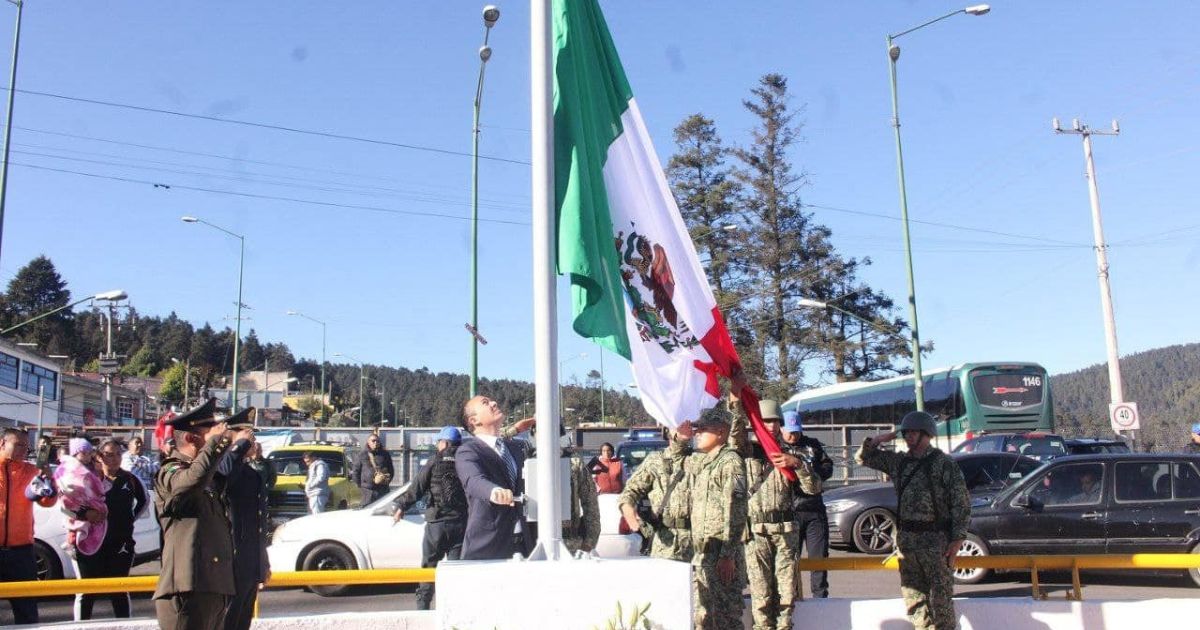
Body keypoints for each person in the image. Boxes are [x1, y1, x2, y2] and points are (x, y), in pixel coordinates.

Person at [858, 411, 970, 630]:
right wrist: (878, 440)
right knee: (914, 599)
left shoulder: (943, 463)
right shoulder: (899, 462)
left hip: (935, 541)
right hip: (907, 540)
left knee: (941, 601)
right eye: (906, 432)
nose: (909, 436)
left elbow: (961, 502)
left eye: (914, 432)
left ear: (926, 434)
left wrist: (957, 539)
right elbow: (863, 458)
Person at [153, 398, 249, 630]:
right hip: (187, 587)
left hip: (213, 586)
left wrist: (237, 445)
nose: (219, 435)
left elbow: (223, 474)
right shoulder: (171, 471)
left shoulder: (207, 478)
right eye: (210, 431)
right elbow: (190, 483)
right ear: (190, 437)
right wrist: (215, 442)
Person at [729, 397, 802, 630]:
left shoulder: (791, 452)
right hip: (757, 532)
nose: (771, 426)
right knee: (761, 594)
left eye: (775, 421)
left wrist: (798, 464)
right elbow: (735, 436)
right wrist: (736, 405)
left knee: (787, 593)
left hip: (785, 531)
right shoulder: (749, 450)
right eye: (765, 421)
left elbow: (814, 487)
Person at [392, 426, 468, 610]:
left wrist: (401, 506)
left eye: (438, 442)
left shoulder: (434, 461)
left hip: (436, 524)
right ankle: (453, 611)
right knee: (456, 572)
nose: (437, 445)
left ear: (445, 443)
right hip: (460, 524)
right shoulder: (465, 461)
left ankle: (423, 608)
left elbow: (417, 488)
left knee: (429, 568)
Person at [685, 414, 748, 630]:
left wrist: (727, 555)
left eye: (703, 429)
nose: (697, 433)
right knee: (705, 620)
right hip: (704, 556)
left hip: (721, 556)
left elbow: (736, 510)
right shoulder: (706, 462)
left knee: (726, 619)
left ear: (721, 432)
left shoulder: (731, 462)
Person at [73, 440, 147, 621]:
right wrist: (85, 515)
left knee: (119, 590)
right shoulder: (88, 478)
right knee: (87, 591)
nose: (115, 459)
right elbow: (69, 505)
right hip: (91, 544)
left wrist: (129, 519)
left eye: (118, 454)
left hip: (121, 544)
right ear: (99, 456)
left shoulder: (130, 479)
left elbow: (144, 501)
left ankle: (124, 624)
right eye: (109, 454)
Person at [455, 394, 529, 560]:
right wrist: (494, 491)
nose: (494, 403)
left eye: (492, 401)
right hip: (487, 547)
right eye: (485, 403)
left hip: (526, 544)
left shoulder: (516, 447)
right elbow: (473, 480)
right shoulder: (468, 451)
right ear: (474, 420)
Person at [217, 409, 271, 630]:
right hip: (230, 558)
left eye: (252, 436)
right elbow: (223, 477)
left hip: (249, 559)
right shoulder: (222, 465)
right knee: (227, 620)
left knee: (242, 619)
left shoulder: (250, 472)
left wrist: (262, 560)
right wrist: (237, 446)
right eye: (246, 435)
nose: (252, 440)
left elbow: (258, 523)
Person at [1, 428, 57, 625]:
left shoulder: (32, 471)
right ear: (2, 443)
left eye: (26, 446)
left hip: (22, 551)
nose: (23, 450)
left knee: (26, 611)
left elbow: (47, 502)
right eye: (18, 445)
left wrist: (49, 479)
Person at [782, 409, 835, 599]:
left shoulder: (813, 445)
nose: (793, 435)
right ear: (782, 429)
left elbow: (828, 468)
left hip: (814, 510)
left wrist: (808, 470)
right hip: (790, 512)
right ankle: (793, 598)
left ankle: (820, 598)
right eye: (789, 431)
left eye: (796, 431)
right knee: (790, 562)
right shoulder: (776, 447)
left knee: (818, 560)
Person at [618, 428, 693, 561]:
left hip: (697, 542)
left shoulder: (699, 459)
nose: (683, 429)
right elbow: (630, 491)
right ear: (668, 432)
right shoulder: (656, 460)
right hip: (665, 540)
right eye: (676, 427)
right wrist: (629, 511)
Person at [53, 437, 109, 559]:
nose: (88, 456)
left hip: (83, 509)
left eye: (89, 453)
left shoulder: (90, 469)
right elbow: (68, 493)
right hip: (74, 508)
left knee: (84, 526)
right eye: (84, 453)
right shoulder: (72, 469)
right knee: (77, 525)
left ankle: (76, 542)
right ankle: (72, 543)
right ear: (75, 453)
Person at [353, 433, 395, 504]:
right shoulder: (362, 455)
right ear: (368, 442)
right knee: (367, 509)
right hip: (368, 491)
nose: (375, 443)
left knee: (383, 509)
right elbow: (356, 472)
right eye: (373, 441)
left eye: (377, 441)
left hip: (382, 490)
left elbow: (391, 470)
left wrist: (385, 481)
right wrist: (361, 486)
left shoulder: (385, 454)